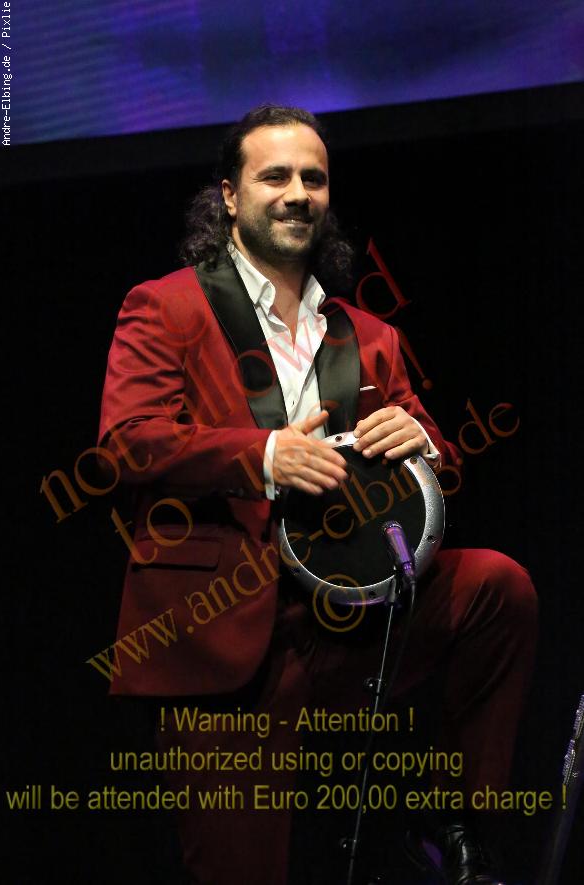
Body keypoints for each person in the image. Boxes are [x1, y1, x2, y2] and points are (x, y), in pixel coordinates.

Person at [98, 104, 537, 885]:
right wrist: (266, 454)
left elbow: (440, 468)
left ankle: (456, 820)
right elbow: (128, 441)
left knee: (497, 586)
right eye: (275, 176)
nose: (298, 193)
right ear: (229, 194)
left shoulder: (368, 334)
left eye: (314, 178)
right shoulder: (166, 305)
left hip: (349, 622)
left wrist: (421, 441)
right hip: (226, 633)